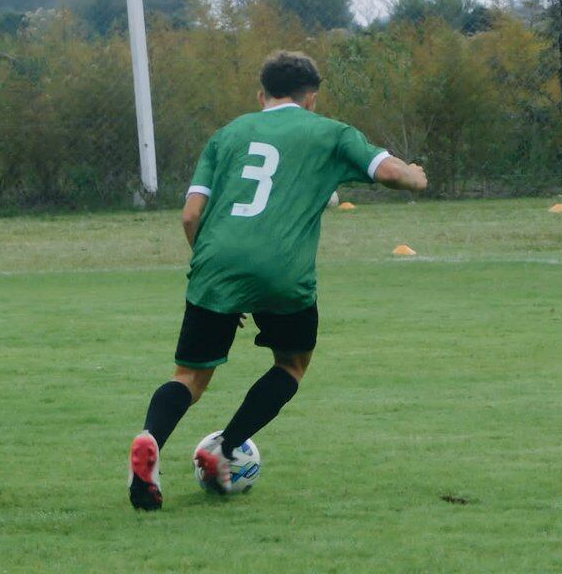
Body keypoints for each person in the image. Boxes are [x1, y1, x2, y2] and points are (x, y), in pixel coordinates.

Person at [129, 50, 428, 509]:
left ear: (260, 94)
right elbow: (391, 174)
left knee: (190, 375)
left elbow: (191, 215)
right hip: (283, 269)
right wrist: (417, 177)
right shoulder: (330, 132)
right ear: (312, 99)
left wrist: (218, 273)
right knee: (291, 364)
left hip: (216, 262)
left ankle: (150, 438)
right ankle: (227, 448)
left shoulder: (228, 135)